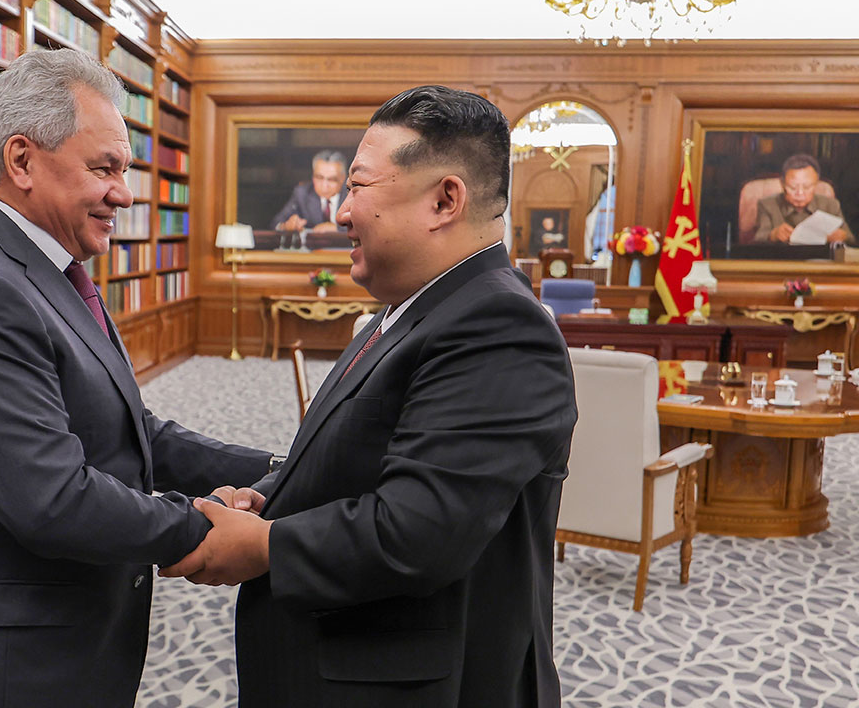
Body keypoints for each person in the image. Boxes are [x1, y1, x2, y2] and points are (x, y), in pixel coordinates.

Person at [0, 48, 271, 708]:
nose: (124, 193)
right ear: (21, 160)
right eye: (103, 168)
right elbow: (52, 499)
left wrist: (283, 465)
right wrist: (204, 527)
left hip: (53, 645)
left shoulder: (48, 271)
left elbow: (135, 436)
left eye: (124, 170)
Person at [163, 85, 578, 707]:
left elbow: (420, 530)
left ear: (444, 200)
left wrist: (263, 544)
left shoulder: (498, 327)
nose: (341, 212)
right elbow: (361, 459)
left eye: (358, 187)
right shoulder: (416, 308)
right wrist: (269, 496)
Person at [752, 153, 852, 244]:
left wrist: (843, 236)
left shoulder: (830, 205)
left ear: (816, 184)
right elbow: (758, 240)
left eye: (807, 187)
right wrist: (773, 235)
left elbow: (851, 240)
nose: (799, 193)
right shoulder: (767, 205)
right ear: (782, 184)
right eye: (792, 187)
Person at [269, 150, 349, 249]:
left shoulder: (353, 194)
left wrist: (338, 229)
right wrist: (286, 226)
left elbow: (366, 229)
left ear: (343, 178)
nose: (325, 185)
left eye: (332, 179)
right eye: (319, 178)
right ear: (313, 176)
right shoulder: (302, 193)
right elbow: (275, 223)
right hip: (313, 254)